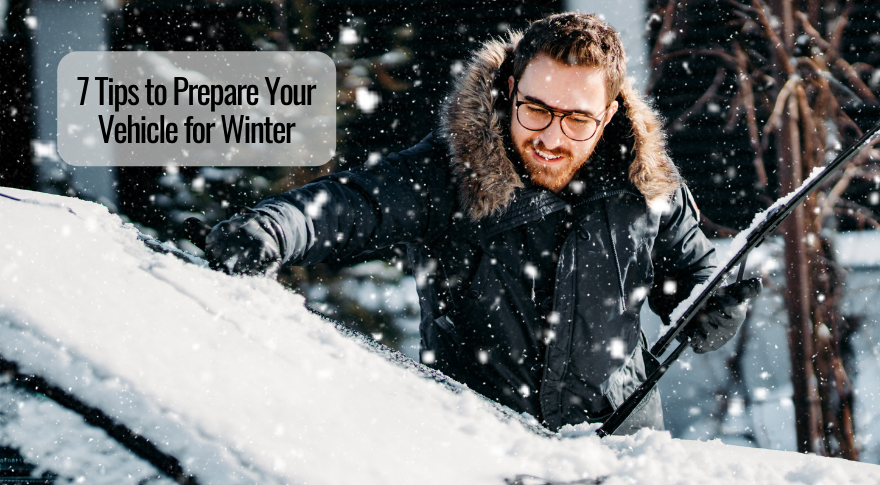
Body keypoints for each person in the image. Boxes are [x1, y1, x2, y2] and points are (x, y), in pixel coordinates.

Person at [205, 12, 760, 435]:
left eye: (577, 119)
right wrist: (272, 229)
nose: (551, 137)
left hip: (620, 450)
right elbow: (353, 203)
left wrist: (712, 309)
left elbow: (694, 277)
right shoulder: (453, 171)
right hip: (480, 450)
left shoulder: (648, 185)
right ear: (511, 90)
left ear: (609, 115)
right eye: (536, 108)